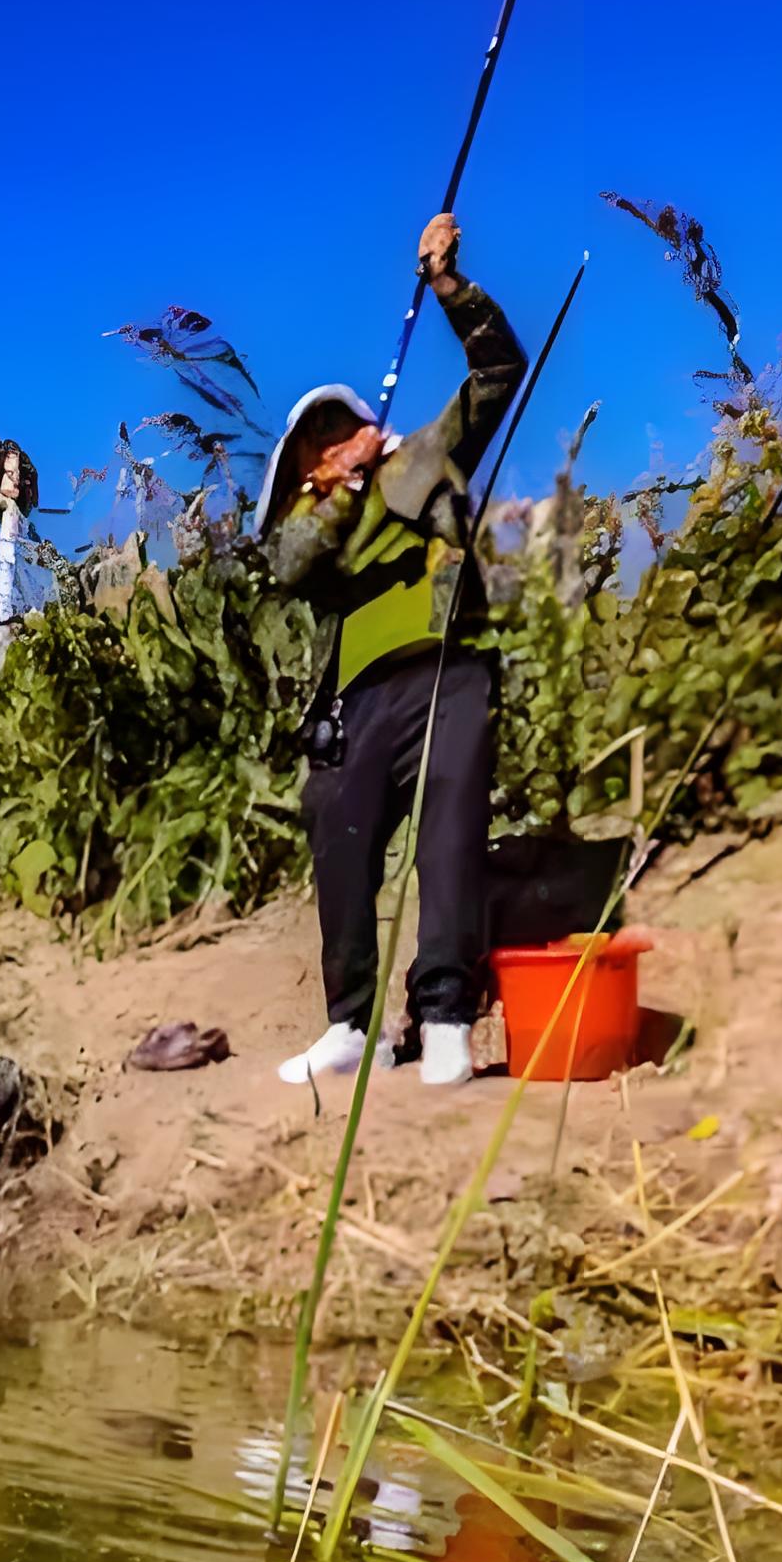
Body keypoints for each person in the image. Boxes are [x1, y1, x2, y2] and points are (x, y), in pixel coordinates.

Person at [260, 213, 526, 1089]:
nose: (337, 447)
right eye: (317, 449)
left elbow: (498, 371)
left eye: (341, 430)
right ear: (306, 472)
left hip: (448, 667)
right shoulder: (308, 528)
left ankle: (446, 1012)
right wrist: (337, 491)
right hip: (355, 701)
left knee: (450, 829)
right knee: (339, 838)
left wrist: (450, 287)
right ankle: (353, 1026)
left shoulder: (422, 458)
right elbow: (291, 568)